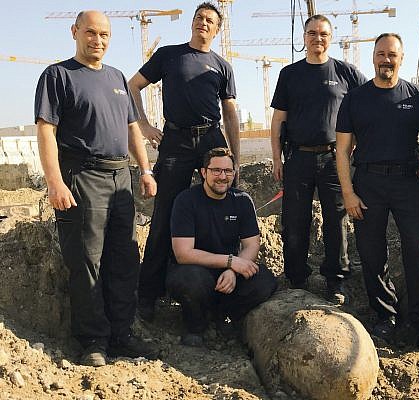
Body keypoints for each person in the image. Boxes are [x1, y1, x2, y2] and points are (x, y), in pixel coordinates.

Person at [34, 10, 158, 367]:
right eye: (90, 33)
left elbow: (132, 129)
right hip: (81, 177)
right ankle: (92, 341)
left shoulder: (118, 77)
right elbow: (46, 131)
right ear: (75, 32)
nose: (98, 40)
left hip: (121, 178)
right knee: (87, 260)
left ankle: (122, 334)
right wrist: (54, 183)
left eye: (104, 34)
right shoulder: (58, 76)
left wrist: (145, 170)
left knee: (123, 259)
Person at [128, 2, 241, 321]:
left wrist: (233, 155)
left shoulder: (222, 66)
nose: (203, 23)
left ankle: (223, 288)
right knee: (165, 213)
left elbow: (230, 112)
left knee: (222, 207)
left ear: (217, 30)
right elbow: (132, 86)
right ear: (192, 23)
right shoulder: (168, 55)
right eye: (199, 18)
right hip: (176, 140)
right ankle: (148, 294)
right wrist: (145, 125)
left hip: (211, 138)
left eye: (210, 20)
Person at [335, 33, 419, 348]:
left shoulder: (417, 96)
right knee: (371, 252)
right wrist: (348, 192)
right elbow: (342, 150)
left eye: (392, 54)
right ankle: (385, 317)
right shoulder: (355, 99)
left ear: (401, 58)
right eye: (381, 54)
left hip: (409, 182)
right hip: (368, 183)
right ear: (373, 57)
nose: (386, 59)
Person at [270, 14, 367, 304]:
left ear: (331, 37)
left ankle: (336, 281)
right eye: (312, 33)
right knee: (294, 222)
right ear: (304, 38)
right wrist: (276, 158)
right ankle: (297, 278)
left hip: (334, 159)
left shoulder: (346, 73)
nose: (318, 38)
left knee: (336, 222)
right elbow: (278, 120)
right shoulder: (290, 74)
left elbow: (367, 107)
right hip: (298, 157)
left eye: (323, 34)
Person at [167, 147, 277, 346]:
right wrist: (230, 261)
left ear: (234, 174)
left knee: (264, 281)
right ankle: (196, 325)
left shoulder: (242, 201)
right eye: (216, 170)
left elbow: (252, 244)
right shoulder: (186, 201)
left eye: (227, 171)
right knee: (190, 280)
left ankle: (225, 315)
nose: (222, 176)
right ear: (204, 172)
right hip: (197, 269)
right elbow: (183, 254)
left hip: (228, 272)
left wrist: (233, 270)